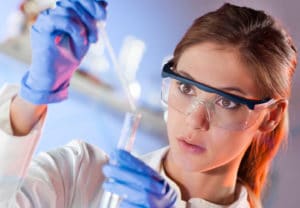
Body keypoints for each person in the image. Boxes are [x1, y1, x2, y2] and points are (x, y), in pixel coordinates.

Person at [0, 0, 297, 207]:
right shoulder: (79, 174)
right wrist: (31, 98)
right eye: (185, 87)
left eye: (226, 101)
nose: (196, 121)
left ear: (270, 116)